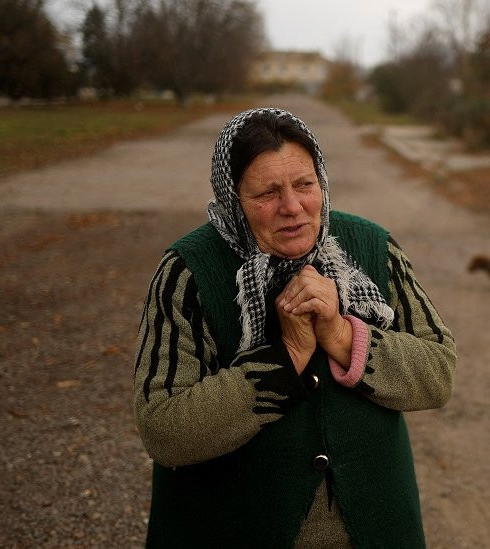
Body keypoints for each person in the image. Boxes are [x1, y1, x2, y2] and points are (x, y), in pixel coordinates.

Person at [132, 108, 457, 548]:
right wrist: (286, 359)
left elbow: (438, 373)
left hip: (374, 529)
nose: (292, 207)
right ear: (232, 198)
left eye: (305, 184)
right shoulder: (189, 273)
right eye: (267, 192)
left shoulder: (374, 249)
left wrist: (342, 336)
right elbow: (163, 429)